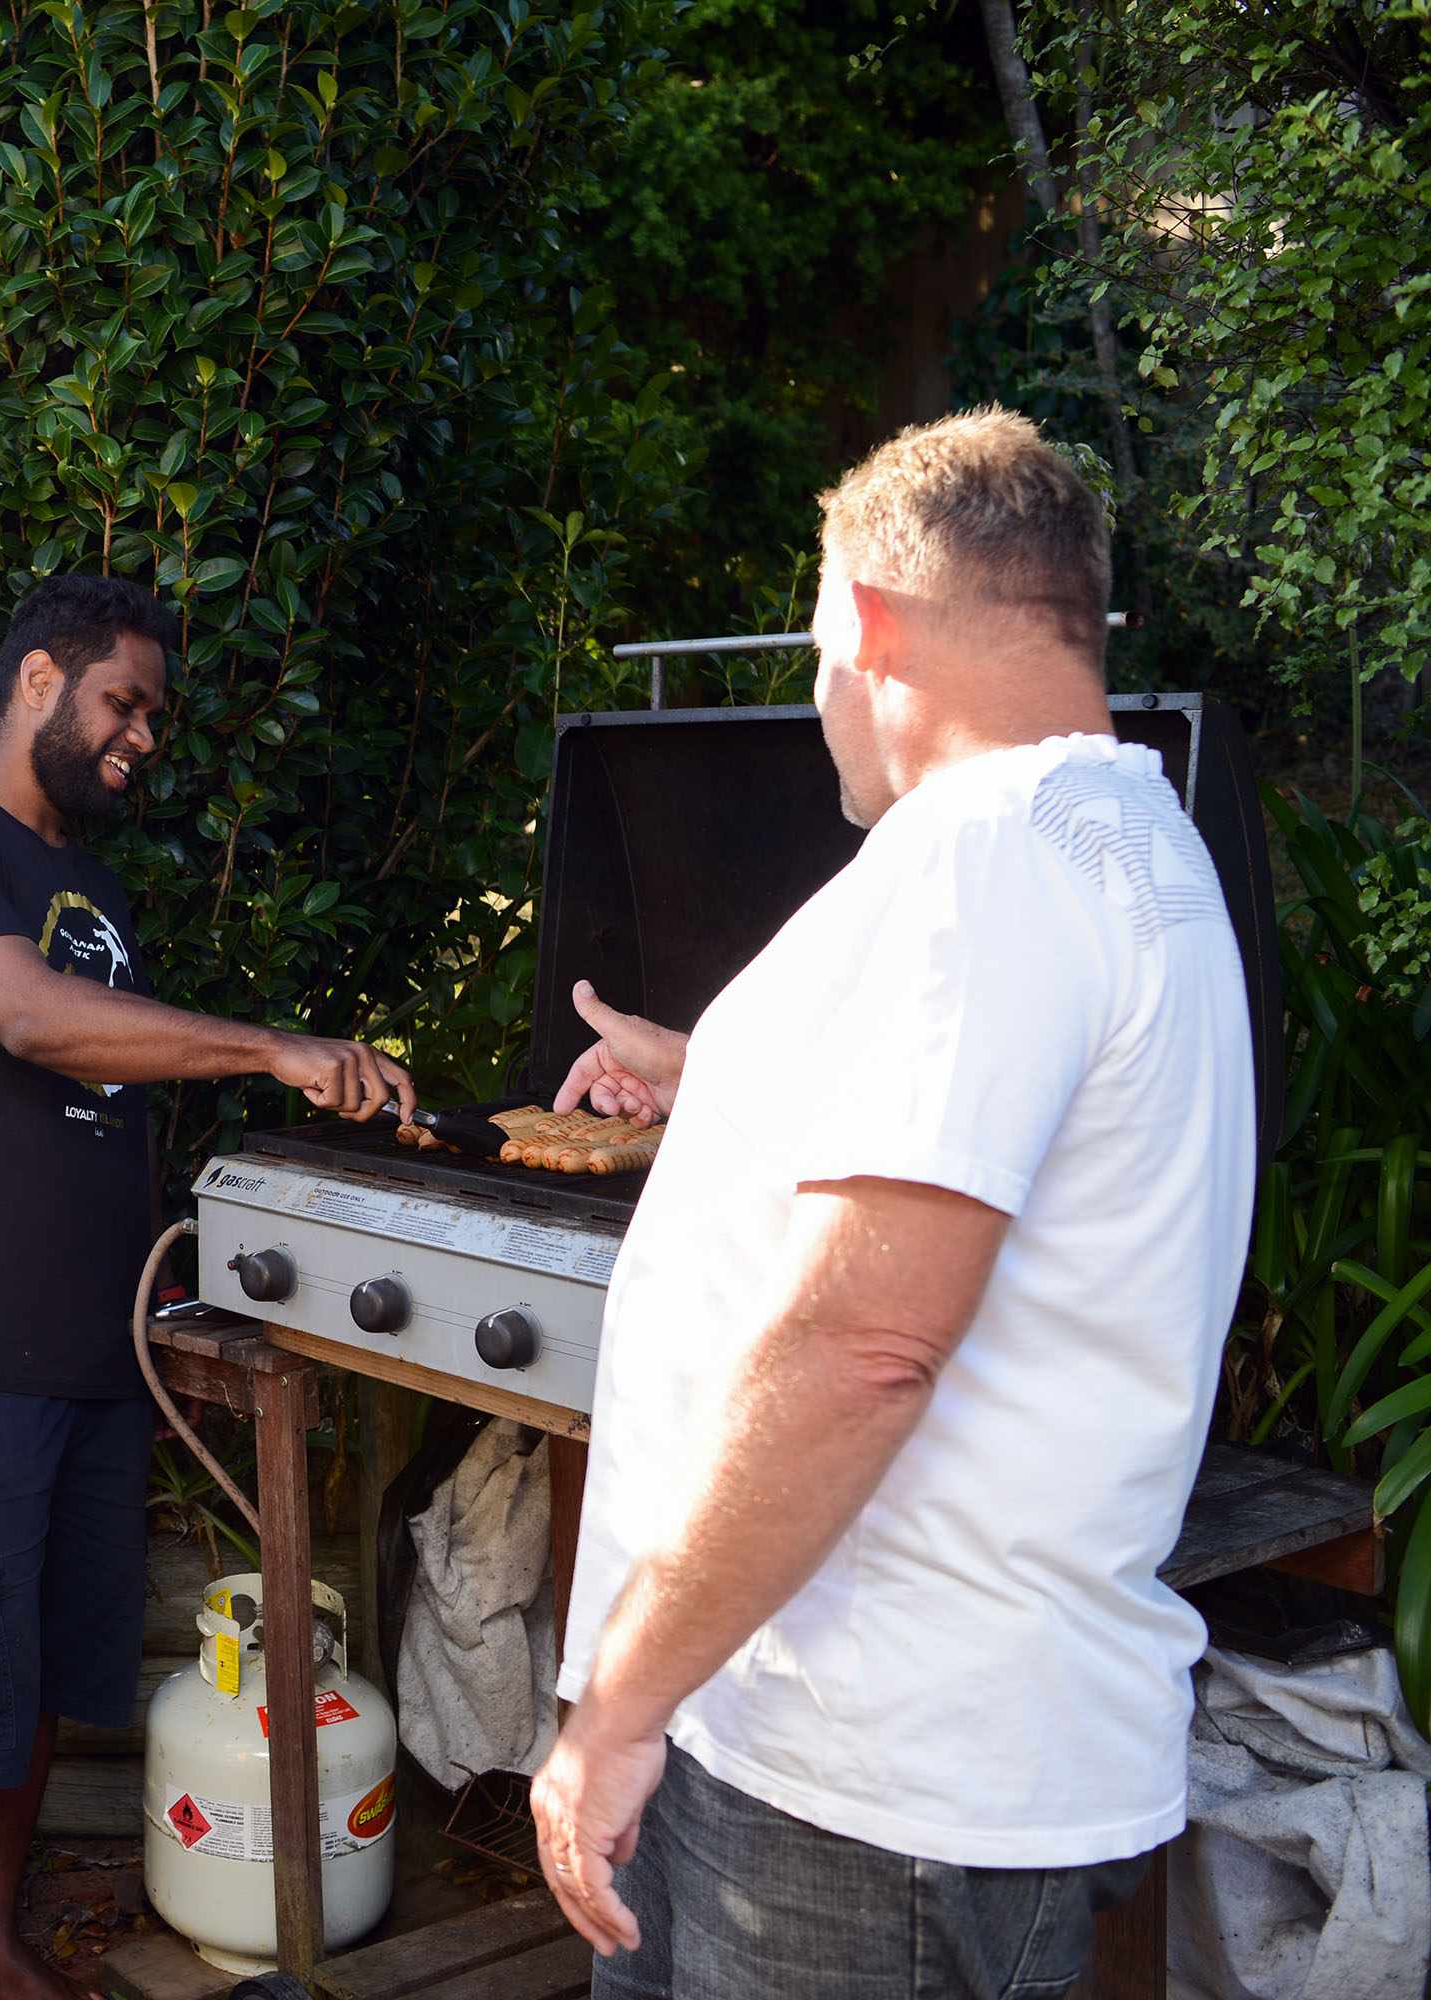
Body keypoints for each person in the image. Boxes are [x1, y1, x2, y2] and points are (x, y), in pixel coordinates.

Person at [527, 409, 1254, 1996]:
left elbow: (865, 1346)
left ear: (863, 619)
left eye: (812, 648)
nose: (818, 700)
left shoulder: (975, 865)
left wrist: (620, 1707)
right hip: (864, 1742)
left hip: (859, 1781)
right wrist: (715, 1073)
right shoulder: (1124, 839)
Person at [0, 573, 415, 2000]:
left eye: (155, 714)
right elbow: (34, 1020)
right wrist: (269, 1046)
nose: (146, 735)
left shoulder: (89, 883)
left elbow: (119, 1075)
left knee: (39, 1669)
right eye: (125, 703)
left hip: (94, 1351)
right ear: (39, 679)